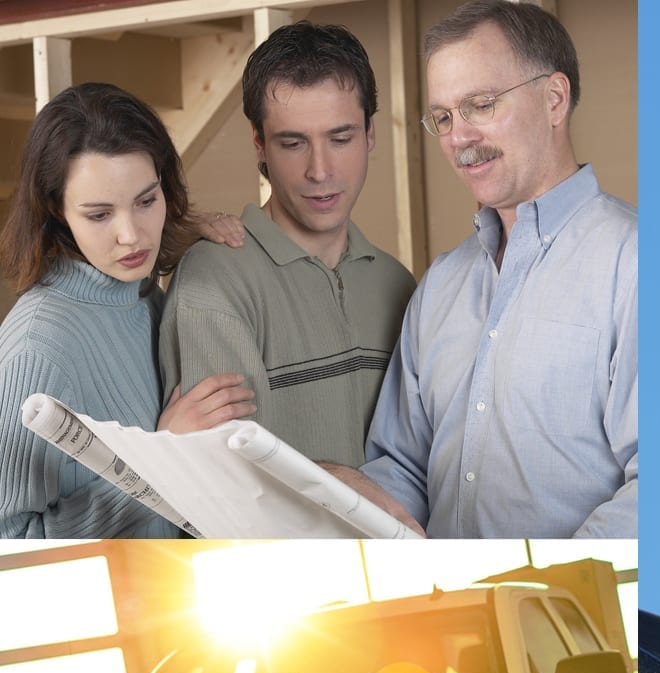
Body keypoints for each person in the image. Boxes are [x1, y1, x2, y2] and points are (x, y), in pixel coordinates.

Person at [327, 0, 636, 538]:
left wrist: (543, 587)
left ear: (555, 98)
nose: (457, 138)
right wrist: (329, 492)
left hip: (579, 612)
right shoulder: (441, 284)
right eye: (443, 117)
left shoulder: (635, 265)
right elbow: (404, 468)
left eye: (480, 105)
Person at [0, 83, 256, 539]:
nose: (132, 236)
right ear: (56, 210)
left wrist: (182, 235)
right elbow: (14, 545)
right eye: (99, 215)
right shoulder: (38, 348)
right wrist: (164, 457)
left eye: (146, 200)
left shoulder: (141, 292)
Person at [158, 22, 416, 469]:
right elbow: (224, 485)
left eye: (341, 138)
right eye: (293, 143)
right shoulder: (214, 285)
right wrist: (341, 484)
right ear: (259, 144)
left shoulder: (398, 285)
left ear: (370, 133)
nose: (320, 170)